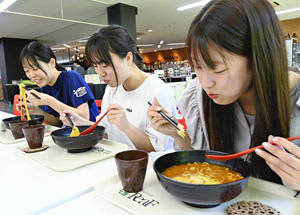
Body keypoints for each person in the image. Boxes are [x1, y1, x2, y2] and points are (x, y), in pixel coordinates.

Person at [148, 0, 300, 191]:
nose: (205, 82)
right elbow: (201, 161)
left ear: (257, 58)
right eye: (197, 66)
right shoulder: (198, 95)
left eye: (217, 69)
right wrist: (175, 132)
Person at [60, 25, 177, 152]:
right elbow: (104, 132)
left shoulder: (158, 91)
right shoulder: (111, 89)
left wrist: (126, 126)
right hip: (116, 163)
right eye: (96, 66)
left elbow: (157, 149)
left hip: (146, 168)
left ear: (128, 58)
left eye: (105, 65)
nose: (100, 73)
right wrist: (79, 121)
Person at [19, 41, 99, 127]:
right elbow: (58, 123)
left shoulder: (72, 78)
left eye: (35, 68)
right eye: (26, 71)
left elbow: (84, 117)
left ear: (52, 63)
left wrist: (50, 101)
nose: (31, 75)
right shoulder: (45, 86)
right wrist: (37, 111)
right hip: (69, 135)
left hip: (92, 134)